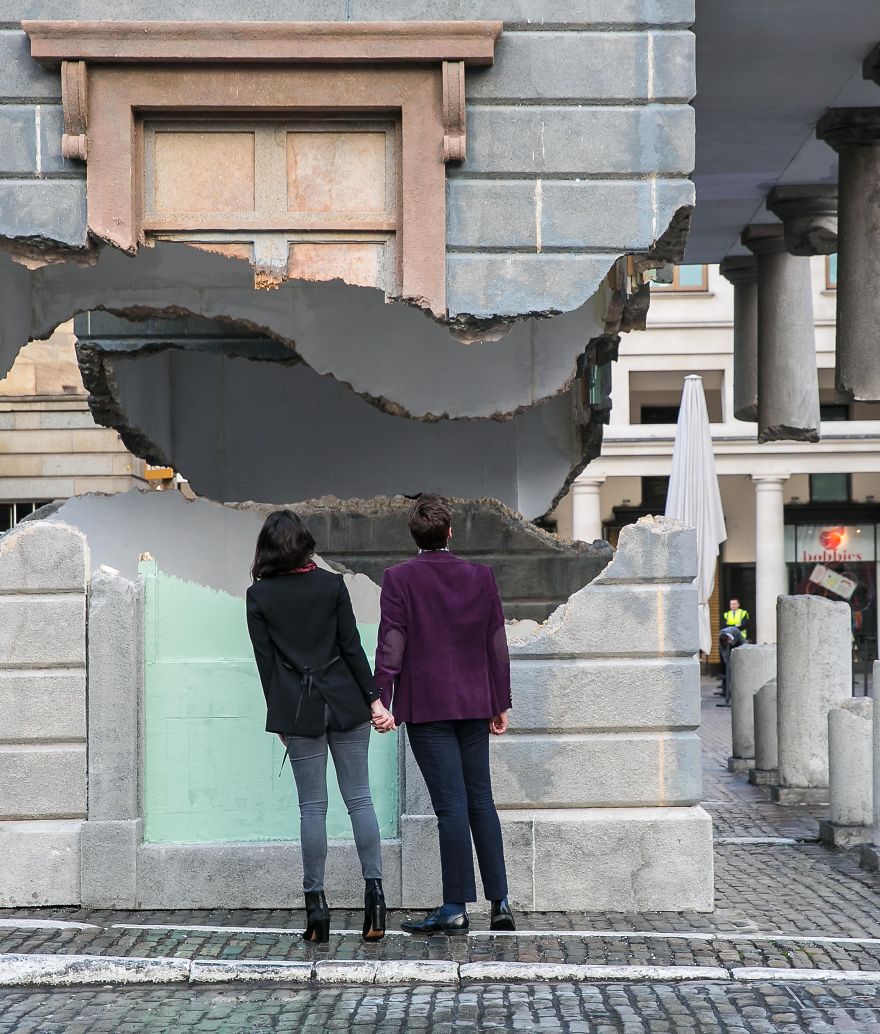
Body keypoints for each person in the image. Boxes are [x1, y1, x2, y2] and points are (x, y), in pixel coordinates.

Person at [246, 510, 396, 944]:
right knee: (360, 801)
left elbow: (267, 665)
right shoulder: (332, 585)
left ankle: (317, 911)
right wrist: (374, 701)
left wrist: (280, 716)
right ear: (305, 543)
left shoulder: (259, 597)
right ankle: (375, 904)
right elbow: (352, 647)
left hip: (299, 710)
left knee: (312, 809)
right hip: (347, 702)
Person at [374, 493, 514, 935]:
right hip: (475, 703)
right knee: (481, 801)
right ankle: (500, 903)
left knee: (452, 807)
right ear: (450, 531)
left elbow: (391, 642)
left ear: (414, 535)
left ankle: (455, 906)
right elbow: (496, 642)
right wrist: (500, 701)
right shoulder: (481, 576)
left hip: (428, 707)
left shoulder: (399, 579)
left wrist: (383, 699)